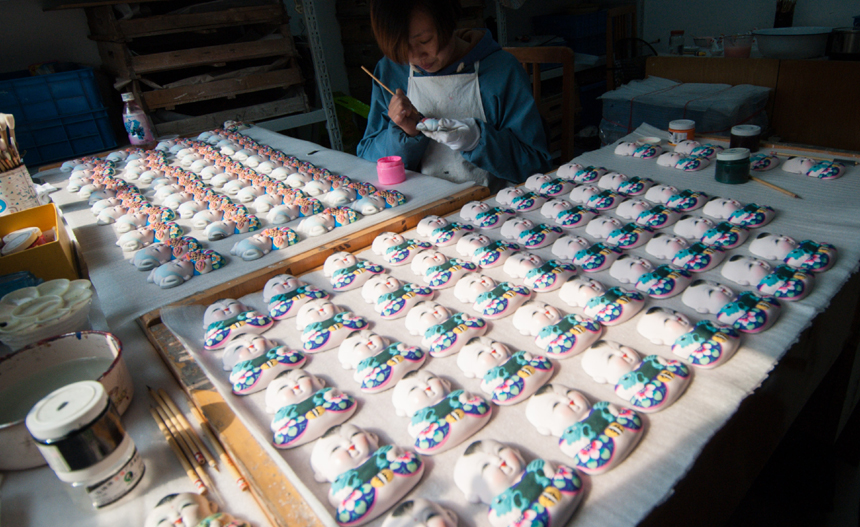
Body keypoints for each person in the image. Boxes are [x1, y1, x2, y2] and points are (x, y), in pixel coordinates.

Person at [357, 0, 551, 190]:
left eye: (425, 41)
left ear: (447, 20)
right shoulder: (391, 71)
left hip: (494, 207)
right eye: (401, 48)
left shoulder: (501, 71)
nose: (415, 57)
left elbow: (536, 166)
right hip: (421, 208)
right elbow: (367, 159)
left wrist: (477, 139)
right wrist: (405, 135)